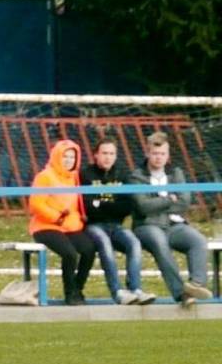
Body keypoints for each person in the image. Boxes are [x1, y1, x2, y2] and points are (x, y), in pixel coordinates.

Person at [129, 132, 212, 308]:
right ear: (148, 153)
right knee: (159, 242)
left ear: (168, 155)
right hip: (147, 225)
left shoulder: (176, 173)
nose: (159, 158)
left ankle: (196, 284)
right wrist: (168, 200)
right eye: (155, 153)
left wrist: (160, 204)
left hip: (174, 225)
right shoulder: (137, 176)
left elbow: (184, 202)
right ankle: (181, 294)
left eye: (162, 154)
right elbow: (143, 207)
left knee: (198, 240)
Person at [80, 138, 156, 305]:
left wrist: (100, 203)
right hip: (93, 225)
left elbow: (127, 206)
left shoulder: (122, 174)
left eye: (112, 153)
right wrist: (110, 205)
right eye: (104, 153)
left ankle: (136, 289)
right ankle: (118, 292)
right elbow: (87, 207)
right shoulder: (85, 174)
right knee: (105, 244)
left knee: (134, 243)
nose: (108, 157)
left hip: (116, 224)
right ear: (96, 155)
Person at [29, 140, 95, 306]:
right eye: (65, 156)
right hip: (45, 227)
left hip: (69, 227)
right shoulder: (44, 176)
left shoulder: (74, 178)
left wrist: (77, 222)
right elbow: (36, 204)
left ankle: (77, 289)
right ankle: (69, 293)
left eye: (72, 157)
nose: (69, 160)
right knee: (69, 254)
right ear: (57, 156)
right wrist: (56, 217)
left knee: (88, 250)